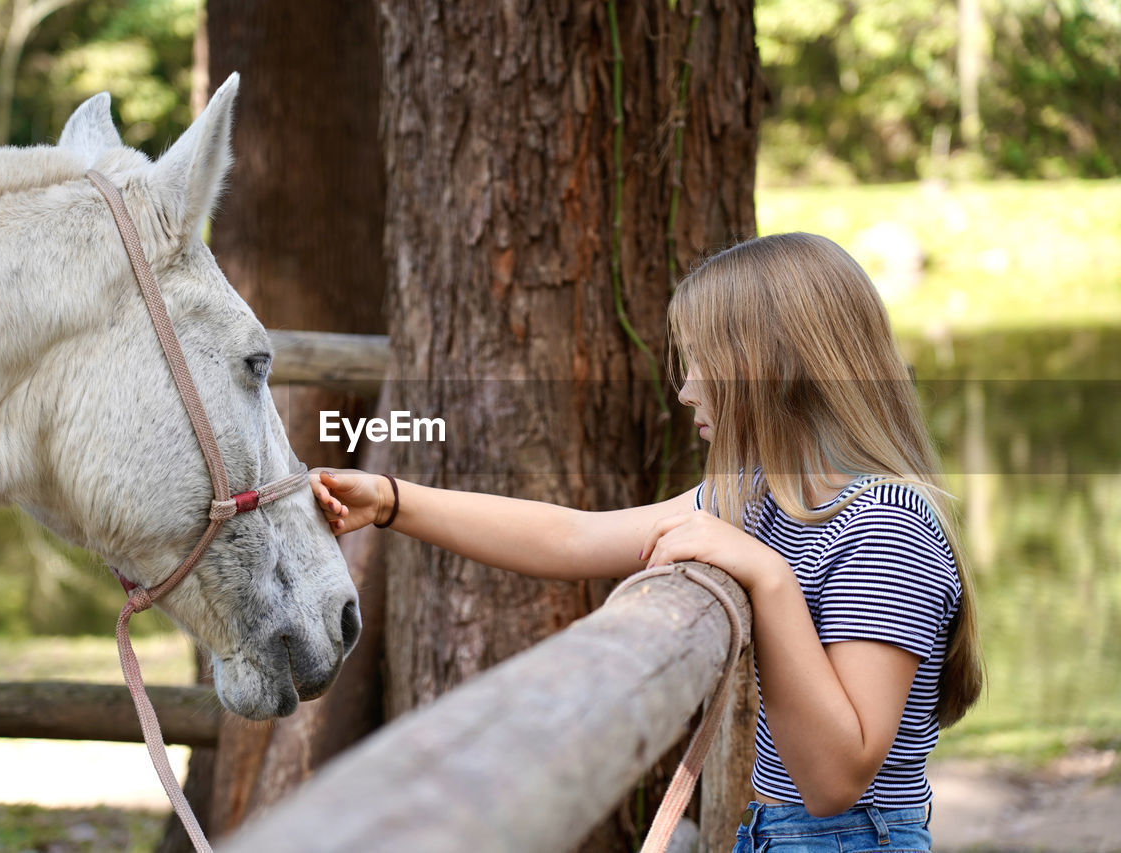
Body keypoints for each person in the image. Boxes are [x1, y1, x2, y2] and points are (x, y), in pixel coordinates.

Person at [310, 232, 983, 852]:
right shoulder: (764, 501)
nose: (688, 390)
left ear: (770, 368)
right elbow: (571, 536)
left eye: (701, 362)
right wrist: (392, 500)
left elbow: (835, 780)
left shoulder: (886, 527)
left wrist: (767, 577)